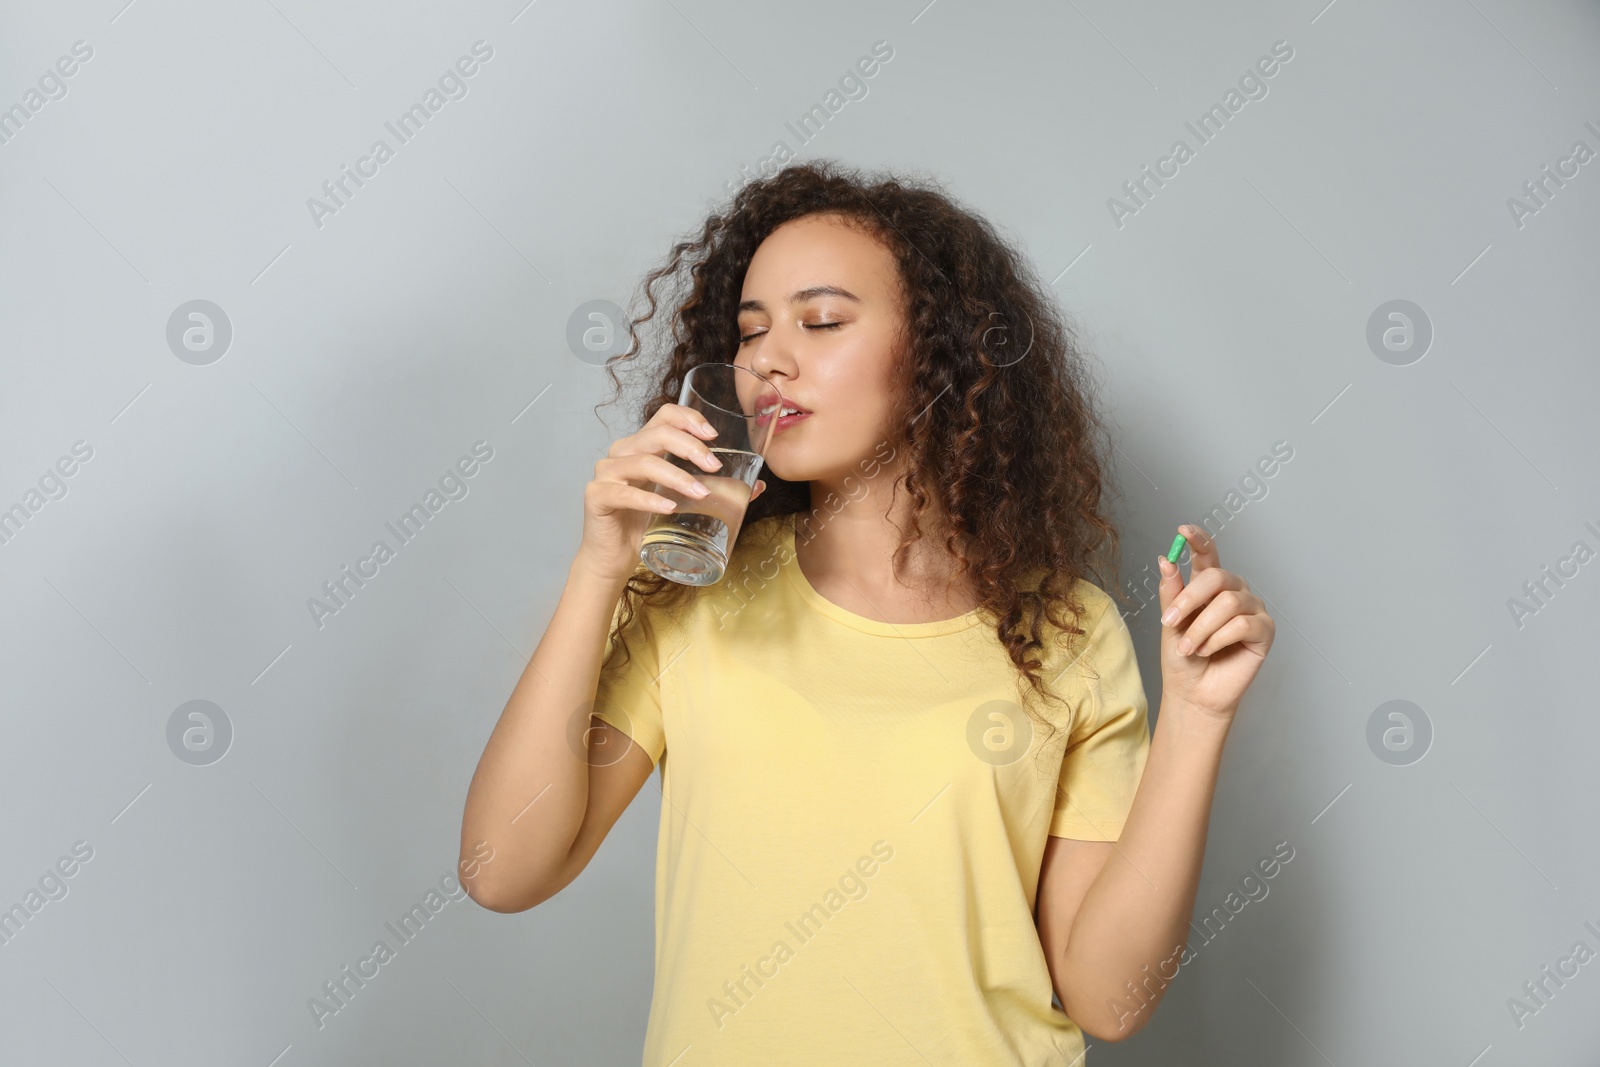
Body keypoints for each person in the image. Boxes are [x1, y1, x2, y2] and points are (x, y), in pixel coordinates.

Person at [458, 160, 1275, 1065]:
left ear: (938, 349)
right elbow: (502, 872)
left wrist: (1197, 717)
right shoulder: (694, 598)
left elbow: (1109, 1000)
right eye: (751, 329)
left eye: (822, 320)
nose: (769, 356)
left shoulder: (1066, 630)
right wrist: (600, 564)